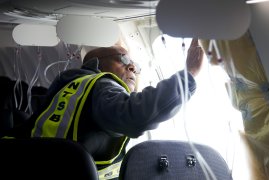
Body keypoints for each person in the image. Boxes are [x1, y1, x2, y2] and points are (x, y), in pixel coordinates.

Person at [23, 38, 204, 179]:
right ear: (95, 63)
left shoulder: (72, 87)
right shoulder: (102, 85)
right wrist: (189, 75)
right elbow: (135, 115)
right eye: (123, 59)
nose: (132, 67)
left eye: (136, 66)